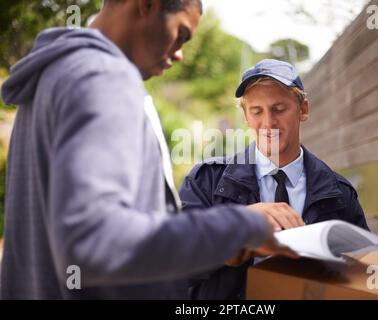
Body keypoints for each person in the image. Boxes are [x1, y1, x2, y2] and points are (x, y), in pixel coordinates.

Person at [0, 1, 298, 299]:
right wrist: (240, 226)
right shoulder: (104, 78)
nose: (179, 55)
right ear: (146, 5)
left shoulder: (53, 75)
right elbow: (94, 242)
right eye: (180, 34)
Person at [179, 59, 370, 300]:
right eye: (256, 111)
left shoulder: (340, 194)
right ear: (246, 117)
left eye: (279, 109)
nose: (268, 123)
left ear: (303, 110)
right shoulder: (205, 180)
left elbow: (362, 276)